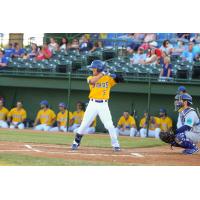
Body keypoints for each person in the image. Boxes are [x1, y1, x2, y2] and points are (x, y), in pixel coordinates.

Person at [71, 60, 121, 151]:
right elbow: (92, 81)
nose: (92, 70)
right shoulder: (90, 77)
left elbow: (121, 79)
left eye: (94, 69)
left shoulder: (107, 78)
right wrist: (102, 73)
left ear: (98, 69)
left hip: (103, 105)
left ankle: (116, 144)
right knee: (84, 125)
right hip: (92, 104)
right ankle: (75, 142)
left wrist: (112, 75)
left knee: (109, 125)